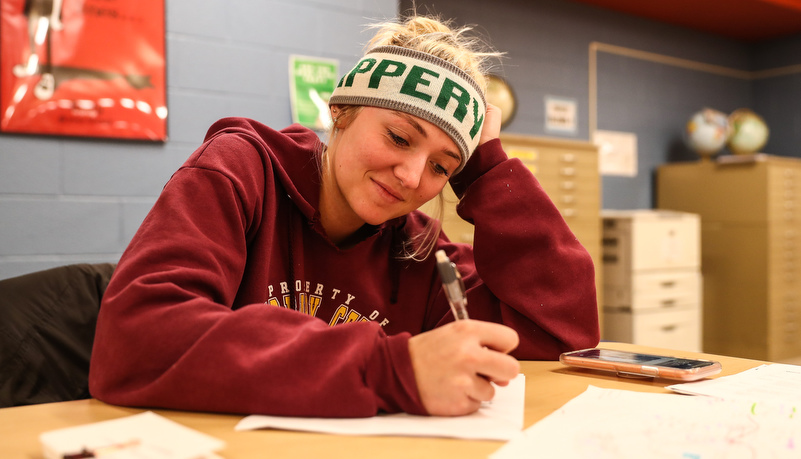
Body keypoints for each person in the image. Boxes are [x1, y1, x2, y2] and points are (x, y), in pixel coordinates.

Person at [89, 14, 599, 418]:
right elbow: (136, 340)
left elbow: (562, 337)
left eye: (442, 167)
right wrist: (392, 369)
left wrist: (486, 168)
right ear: (341, 110)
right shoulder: (240, 171)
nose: (411, 177)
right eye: (399, 138)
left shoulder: (421, 250)